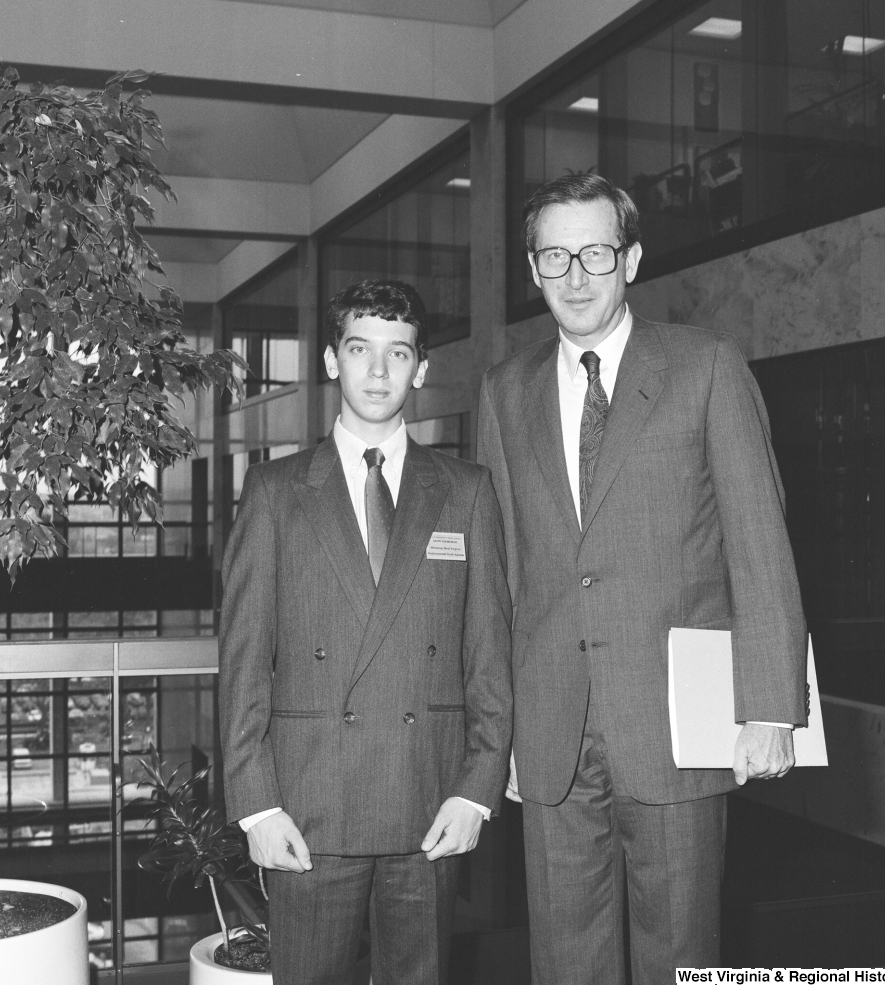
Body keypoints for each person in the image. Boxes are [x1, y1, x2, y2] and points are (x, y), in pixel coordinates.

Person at [476, 173, 807, 984]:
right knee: (564, 962)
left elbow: (760, 544)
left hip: (676, 722)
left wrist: (770, 706)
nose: (576, 276)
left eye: (595, 252)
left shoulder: (706, 366)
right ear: (533, 268)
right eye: (555, 256)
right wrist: (499, 733)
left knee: (679, 957)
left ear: (630, 259)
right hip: (550, 728)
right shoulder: (504, 391)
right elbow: (499, 572)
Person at [220, 279, 513, 985]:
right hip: (308, 806)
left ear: (421, 368)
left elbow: (490, 654)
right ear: (331, 361)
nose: (379, 372)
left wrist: (476, 789)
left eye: (398, 352)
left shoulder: (467, 490)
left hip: (430, 804)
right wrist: (256, 802)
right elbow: (243, 660)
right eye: (360, 350)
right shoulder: (274, 490)